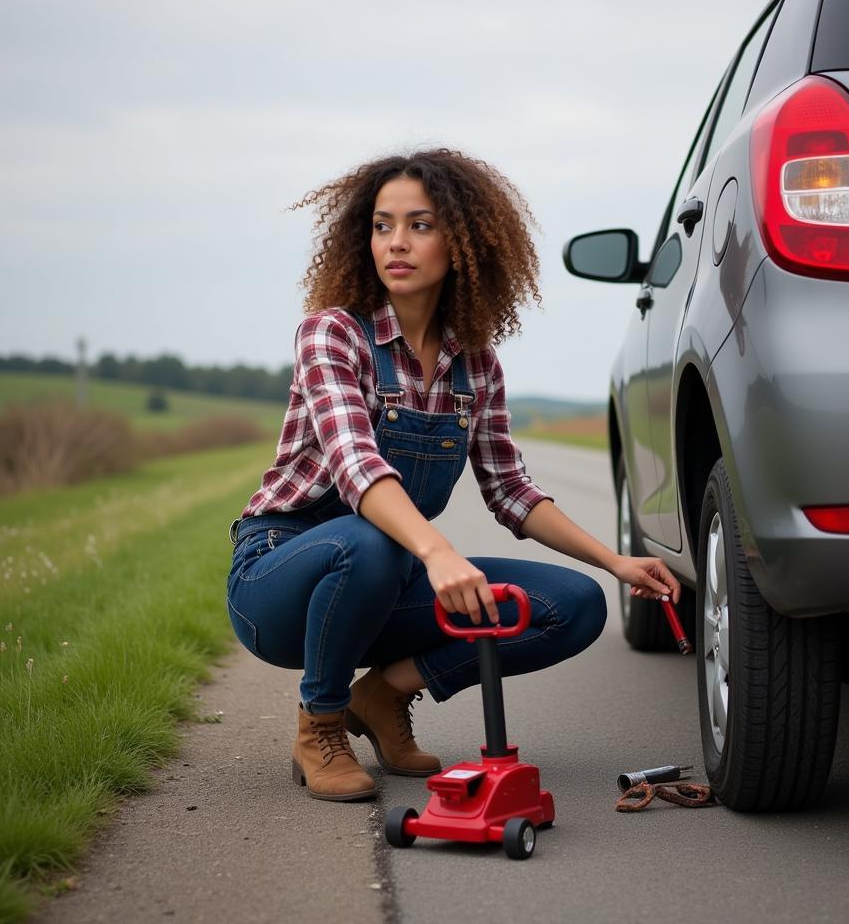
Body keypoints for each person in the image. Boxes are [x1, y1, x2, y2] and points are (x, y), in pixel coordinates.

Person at [225, 149, 681, 802]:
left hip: (387, 574)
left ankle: (383, 694)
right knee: (370, 539)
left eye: (420, 224)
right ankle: (320, 724)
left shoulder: (477, 368)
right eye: (382, 226)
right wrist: (437, 552)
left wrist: (616, 562)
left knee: (572, 606)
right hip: (278, 580)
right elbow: (357, 469)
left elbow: (511, 492)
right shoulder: (332, 334)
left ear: (463, 240)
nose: (397, 243)